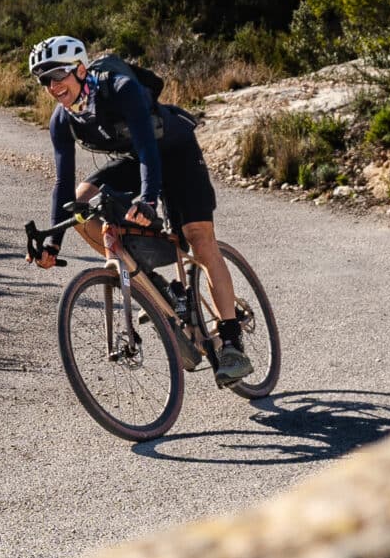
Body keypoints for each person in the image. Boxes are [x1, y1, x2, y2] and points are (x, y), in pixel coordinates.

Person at [24, 34, 252, 384]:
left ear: (80, 69)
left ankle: (233, 342)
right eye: (45, 80)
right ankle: (154, 287)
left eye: (58, 76)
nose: (52, 87)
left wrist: (147, 199)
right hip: (135, 160)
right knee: (81, 206)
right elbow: (62, 184)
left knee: (198, 238)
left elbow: (148, 149)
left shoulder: (120, 88)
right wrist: (53, 242)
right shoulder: (63, 119)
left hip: (173, 153)